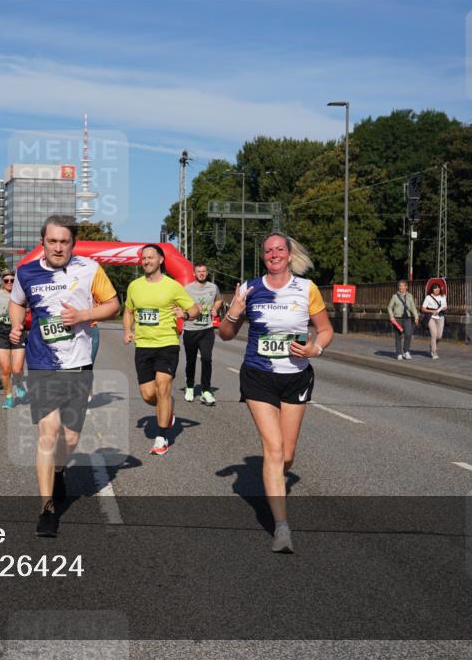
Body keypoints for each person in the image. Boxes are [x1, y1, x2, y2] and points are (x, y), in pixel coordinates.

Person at [218, 233, 333, 553]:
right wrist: (234, 309)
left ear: (289, 253)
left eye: (279, 249)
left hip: (295, 377)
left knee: (287, 455)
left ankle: (273, 481)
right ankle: (281, 527)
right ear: (263, 256)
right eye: (268, 251)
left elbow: (325, 329)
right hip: (258, 376)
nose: (274, 254)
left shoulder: (306, 289)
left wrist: (315, 349)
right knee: (273, 448)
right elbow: (226, 335)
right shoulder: (249, 289)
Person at [9, 215, 119, 537]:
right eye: (52, 241)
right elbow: (17, 302)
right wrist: (17, 324)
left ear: (73, 243)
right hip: (42, 362)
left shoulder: (90, 270)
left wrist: (85, 314)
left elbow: (113, 304)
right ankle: (47, 509)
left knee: (69, 438)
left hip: (79, 362)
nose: (58, 247)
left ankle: (58, 471)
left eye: (64, 241)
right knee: (49, 431)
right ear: (43, 241)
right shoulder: (26, 272)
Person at [123, 244, 199, 456]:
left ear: (161, 260)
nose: (146, 261)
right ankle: (167, 406)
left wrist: (183, 315)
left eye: (150, 257)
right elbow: (128, 311)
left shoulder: (172, 286)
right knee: (149, 395)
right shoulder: (134, 286)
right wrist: (127, 330)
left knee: (163, 385)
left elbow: (195, 309)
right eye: (143, 258)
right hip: (143, 346)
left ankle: (162, 436)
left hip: (167, 343)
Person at [181, 262, 223, 406]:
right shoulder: (187, 289)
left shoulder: (213, 287)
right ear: (194, 273)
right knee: (191, 360)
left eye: (204, 271)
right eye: (199, 271)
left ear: (207, 272)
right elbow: (180, 305)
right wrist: (189, 311)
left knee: (206, 358)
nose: (201, 273)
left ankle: (205, 390)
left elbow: (219, 300)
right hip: (191, 329)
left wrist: (215, 309)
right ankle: (190, 387)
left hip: (207, 329)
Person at [0, 269, 26, 409]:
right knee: (5, 370)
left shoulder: (23, 295)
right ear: (2, 282)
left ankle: (18, 383)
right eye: (7, 280)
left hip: (18, 331)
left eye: (12, 280)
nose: (10, 283)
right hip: (1, 331)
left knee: (17, 369)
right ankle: (9, 397)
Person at [387, 279, 419, 360]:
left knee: (408, 335)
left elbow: (413, 307)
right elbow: (389, 307)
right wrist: (391, 317)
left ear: (406, 287)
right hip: (397, 318)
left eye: (403, 286)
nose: (401, 287)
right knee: (398, 336)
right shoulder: (395, 296)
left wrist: (416, 316)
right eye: (399, 286)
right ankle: (398, 353)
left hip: (407, 318)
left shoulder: (410, 296)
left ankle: (406, 351)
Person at [422, 282, 447, 359]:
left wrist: (444, 308)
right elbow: (423, 309)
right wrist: (431, 311)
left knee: (439, 336)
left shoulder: (443, 296)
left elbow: (445, 306)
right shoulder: (428, 297)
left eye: (438, 288)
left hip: (440, 317)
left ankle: (432, 345)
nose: (437, 289)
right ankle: (434, 352)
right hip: (431, 317)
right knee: (434, 334)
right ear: (432, 289)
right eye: (435, 288)